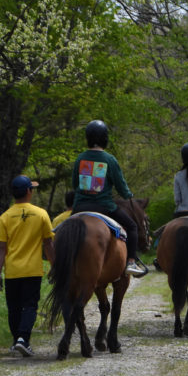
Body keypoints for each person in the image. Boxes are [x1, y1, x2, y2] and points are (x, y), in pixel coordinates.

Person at [71, 119, 146, 277]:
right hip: (104, 206)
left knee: (63, 229)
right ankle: (131, 262)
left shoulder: (80, 158)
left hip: (80, 207)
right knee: (132, 227)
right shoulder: (109, 160)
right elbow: (120, 185)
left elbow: (74, 183)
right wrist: (128, 195)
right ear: (105, 138)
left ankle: (57, 264)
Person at [0, 175, 55, 357]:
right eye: (32, 189)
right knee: (29, 306)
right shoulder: (41, 214)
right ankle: (23, 339)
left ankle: (16, 341)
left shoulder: (4, 217)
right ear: (28, 191)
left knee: (13, 307)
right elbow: (48, 244)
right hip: (32, 270)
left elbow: (0, 248)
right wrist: (54, 265)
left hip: (12, 271)